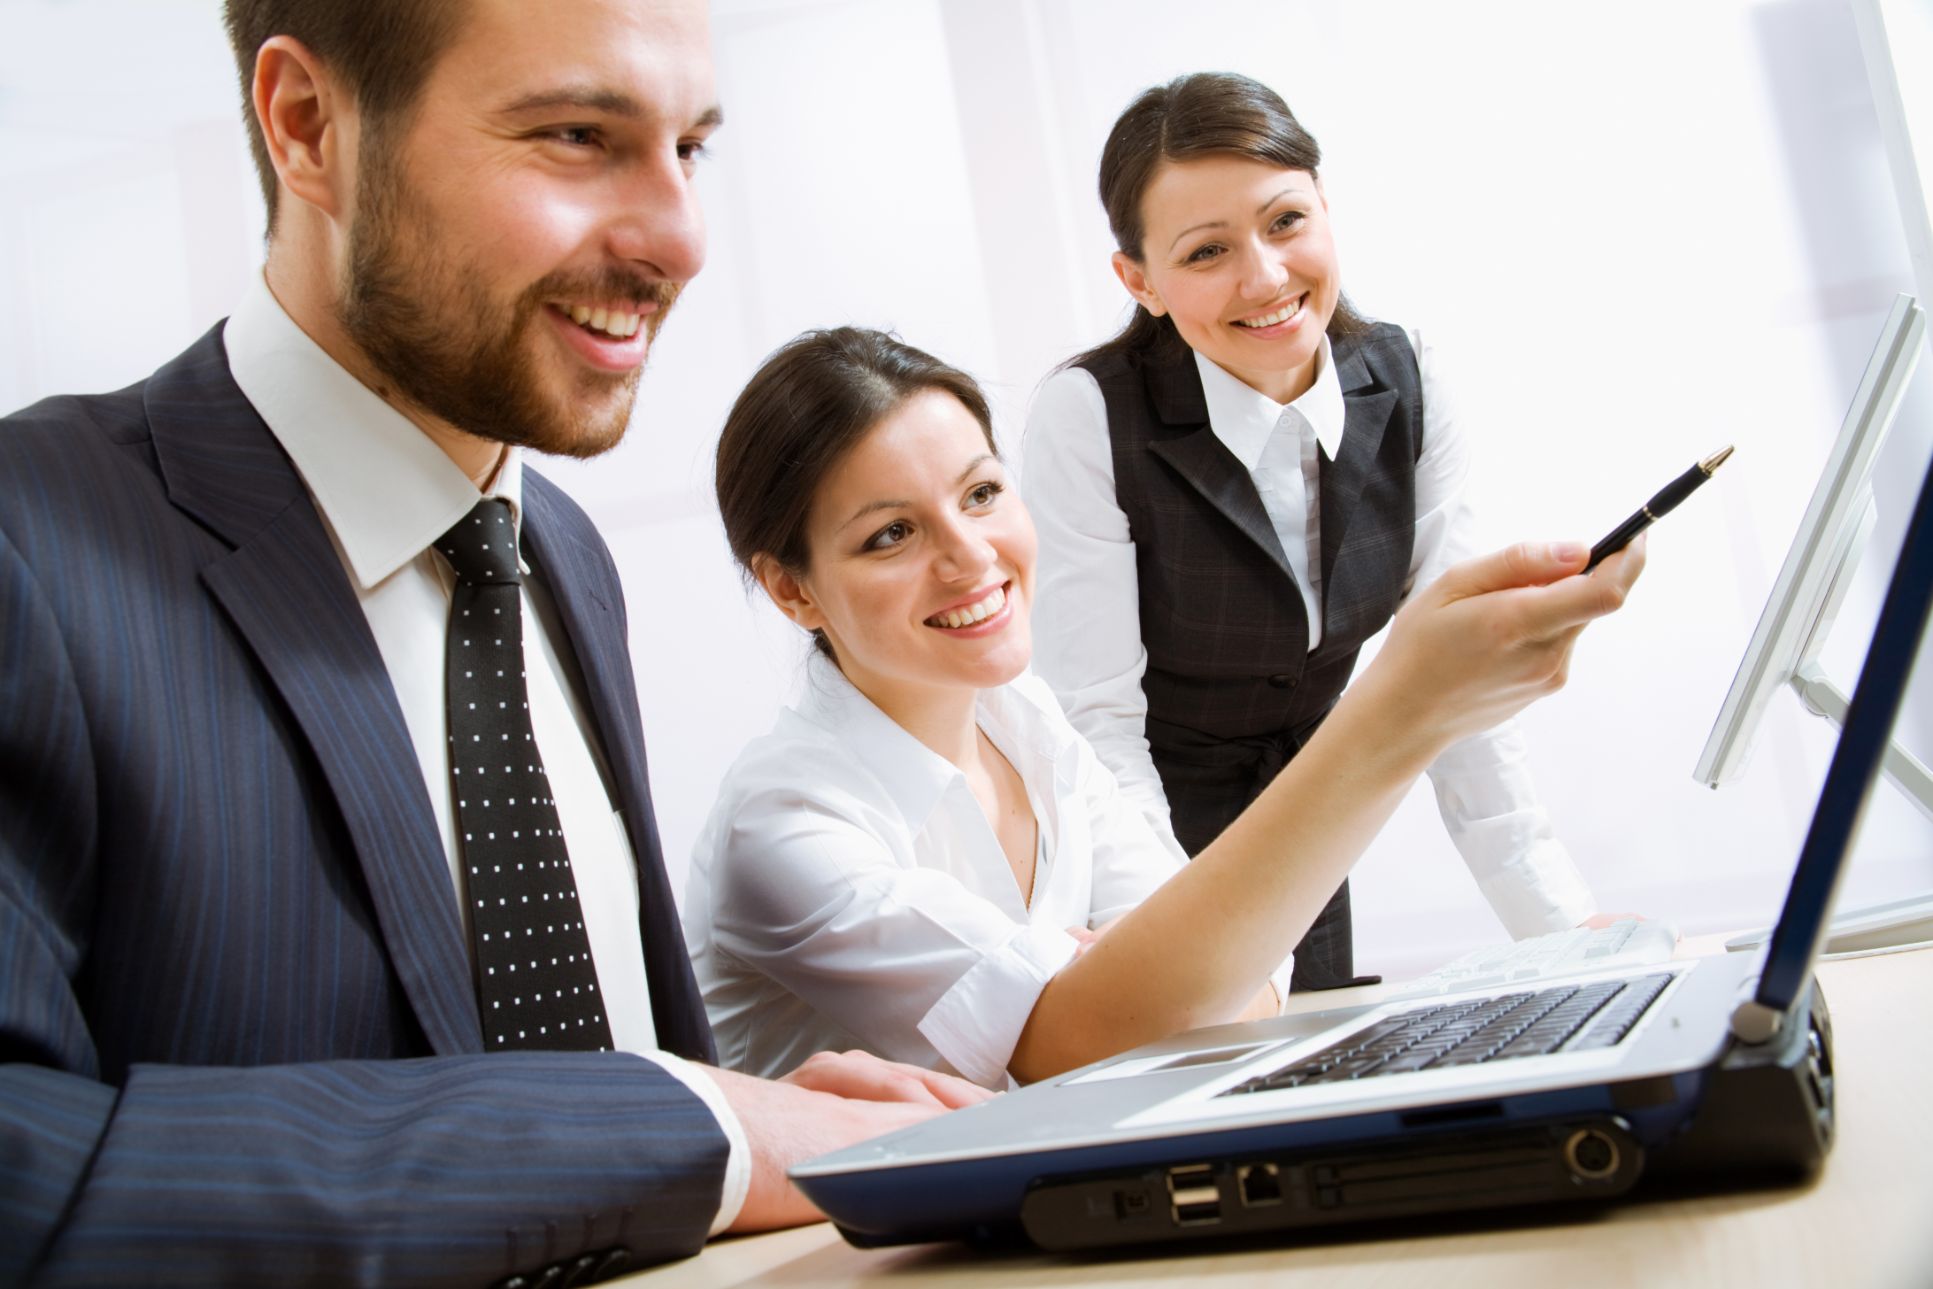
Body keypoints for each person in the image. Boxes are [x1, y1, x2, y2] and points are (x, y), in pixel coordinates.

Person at [0, 2, 988, 1284]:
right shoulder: (32, 541)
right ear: (309, 128)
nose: (680, 237)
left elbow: (544, 1087)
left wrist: (741, 1118)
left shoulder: (563, 552)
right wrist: (685, 1131)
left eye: (690, 147)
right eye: (578, 135)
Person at [684, 326, 1642, 1089]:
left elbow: (1245, 983)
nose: (971, 555)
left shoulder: (1023, 717)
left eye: (981, 492)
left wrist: (1138, 977)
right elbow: (1098, 1032)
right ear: (793, 591)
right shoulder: (786, 822)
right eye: (891, 533)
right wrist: (1401, 706)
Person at [1021, 72, 1628, 990]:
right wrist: (1185, 952)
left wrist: (1561, 932)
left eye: (1284, 222)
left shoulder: (1408, 374)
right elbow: (1098, 721)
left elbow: (1454, 678)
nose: (1264, 276)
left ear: (1325, 209)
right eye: (1205, 252)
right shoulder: (1086, 416)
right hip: (1133, 846)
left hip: (1307, 822)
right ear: (1137, 280)